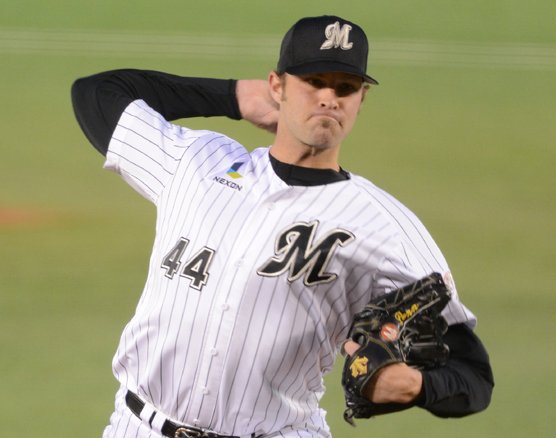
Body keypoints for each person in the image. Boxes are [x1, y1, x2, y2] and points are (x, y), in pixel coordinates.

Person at [71, 15, 493, 438]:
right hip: (139, 426)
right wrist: (233, 96)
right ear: (277, 86)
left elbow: (473, 376)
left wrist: (418, 386)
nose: (329, 98)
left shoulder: (383, 225)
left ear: (361, 99)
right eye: (314, 82)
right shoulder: (196, 162)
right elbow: (96, 92)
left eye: (345, 88)